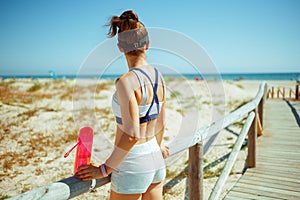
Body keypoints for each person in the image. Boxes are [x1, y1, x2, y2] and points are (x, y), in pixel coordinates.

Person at [75, 10, 169, 200]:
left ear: (120, 47)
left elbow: (132, 134)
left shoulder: (126, 81)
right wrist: (157, 147)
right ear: (147, 45)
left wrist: (104, 169)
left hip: (133, 162)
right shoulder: (159, 77)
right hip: (155, 158)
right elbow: (160, 124)